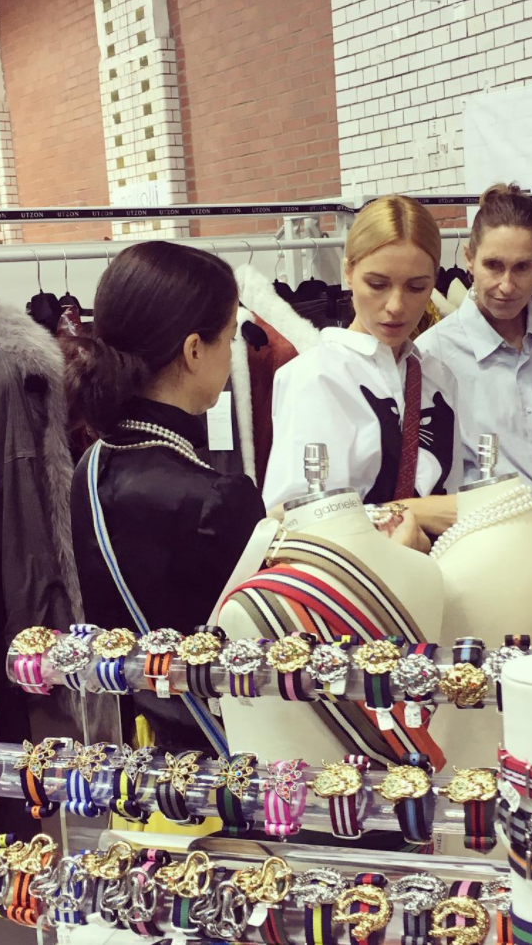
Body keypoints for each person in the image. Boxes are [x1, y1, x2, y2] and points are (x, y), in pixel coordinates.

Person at [67, 242, 265, 750]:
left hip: (142, 747)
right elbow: (263, 654)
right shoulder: (218, 497)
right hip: (227, 751)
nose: (232, 354)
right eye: (229, 338)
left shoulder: (90, 467)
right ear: (195, 350)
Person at [263, 195, 463, 536]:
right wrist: (409, 512)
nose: (396, 305)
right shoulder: (314, 377)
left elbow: (450, 501)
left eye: (417, 287)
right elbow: (291, 519)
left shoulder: (437, 376)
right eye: (377, 284)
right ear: (348, 272)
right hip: (355, 568)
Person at [417, 183, 532, 512]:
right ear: (469, 258)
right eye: (493, 265)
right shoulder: (433, 355)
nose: (506, 285)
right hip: (495, 527)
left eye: (522, 267)